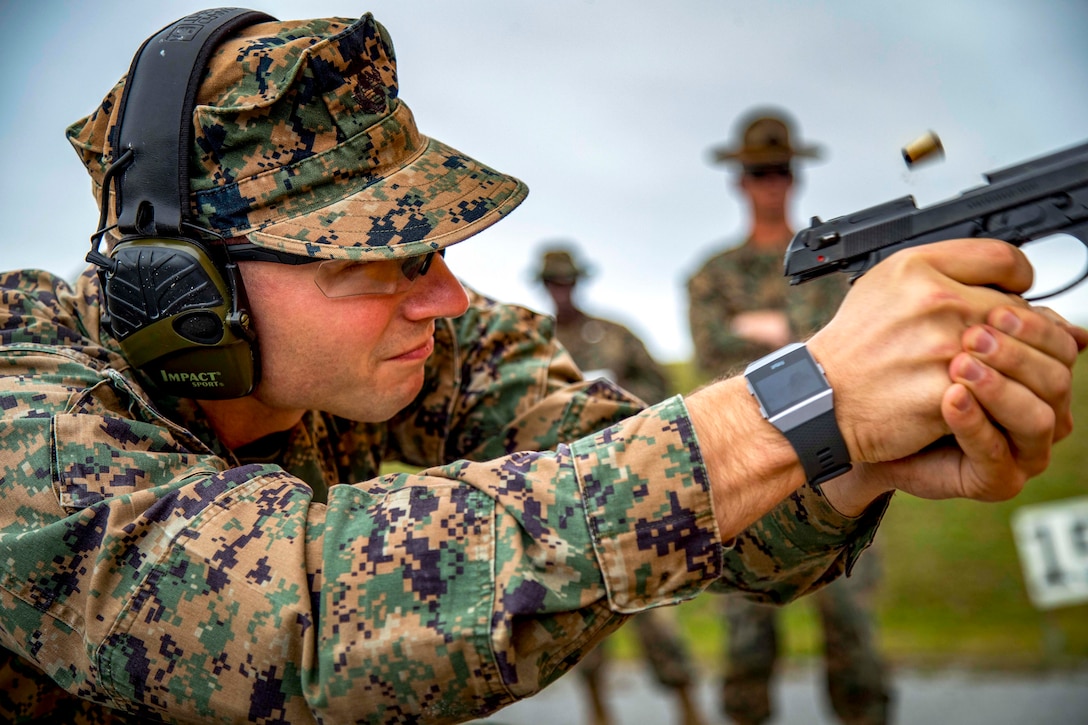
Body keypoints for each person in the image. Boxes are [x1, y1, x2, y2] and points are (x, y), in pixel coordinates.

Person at [0, 10, 1083, 725]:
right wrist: (790, 405)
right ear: (187, 287)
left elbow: (657, 484)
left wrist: (850, 445)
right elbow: (290, 618)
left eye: (435, 250)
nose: (447, 296)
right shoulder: (24, 405)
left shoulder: (437, 349)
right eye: (377, 259)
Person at [687, 110, 893, 724]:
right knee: (748, 650)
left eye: (777, 170)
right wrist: (806, 342)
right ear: (740, 181)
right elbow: (714, 362)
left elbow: (860, 354)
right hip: (747, 471)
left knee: (854, 644)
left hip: (839, 468)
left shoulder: (837, 265)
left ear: (793, 178)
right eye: (757, 172)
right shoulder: (712, 276)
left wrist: (769, 334)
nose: (768, 182)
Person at [534, 246, 702, 725]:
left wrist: (627, 420)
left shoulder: (613, 335)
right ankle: (599, 713)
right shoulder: (537, 344)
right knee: (581, 617)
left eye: (567, 282)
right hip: (565, 499)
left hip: (629, 493)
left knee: (656, 611)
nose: (561, 291)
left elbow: (665, 394)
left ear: (579, 282)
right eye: (553, 283)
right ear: (544, 285)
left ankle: (690, 710)